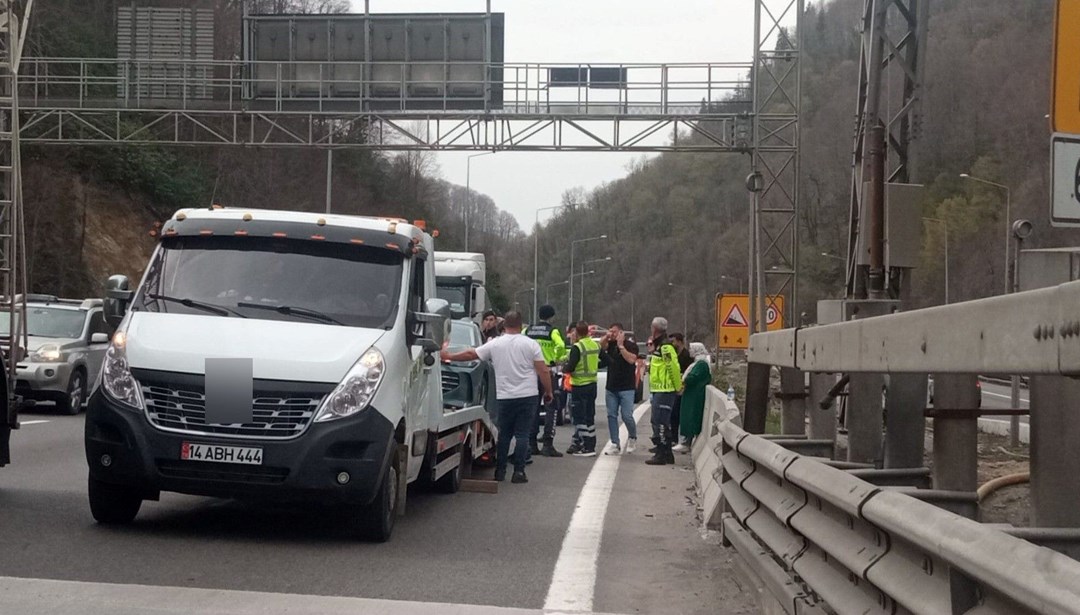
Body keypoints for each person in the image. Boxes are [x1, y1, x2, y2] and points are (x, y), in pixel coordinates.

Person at [441, 311, 553, 484]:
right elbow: (543, 370)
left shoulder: (495, 344)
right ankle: (519, 472)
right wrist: (549, 391)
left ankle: (500, 472)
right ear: (521, 325)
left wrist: (448, 356)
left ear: (504, 325)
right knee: (522, 434)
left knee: (505, 434)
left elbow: (471, 354)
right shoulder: (531, 344)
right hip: (527, 395)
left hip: (505, 396)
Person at [522, 304, 567, 457]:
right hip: (547, 371)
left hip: (531, 371)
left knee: (532, 408)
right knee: (551, 406)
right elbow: (561, 345)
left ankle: (532, 443)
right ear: (551, 317)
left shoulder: (528, 330)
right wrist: (556, 358)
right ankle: (548, 444)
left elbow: (520, 343)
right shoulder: (552, 331)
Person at [645, 317, 682, 465]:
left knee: (660, 422)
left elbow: (673, 367)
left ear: (654, 329)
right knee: (660, 421)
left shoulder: (665, 347)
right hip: (660, 389)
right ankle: (667, 453)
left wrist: (677, 386)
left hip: (665, 389)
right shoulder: (660, 346)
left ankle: (662, 453)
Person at [599, 323, 639, 455]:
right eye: (610, 331)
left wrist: (621, 346)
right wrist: (606, 337)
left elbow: (631, 360)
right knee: (611, 415)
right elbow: (601, 346)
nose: (612, 334)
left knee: (627, 415)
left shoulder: (630, 345)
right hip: (611, 387)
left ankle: (632, 436)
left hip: (627, 387)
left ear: (621, 333)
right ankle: (615, 443)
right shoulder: (610, 345)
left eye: (614, 332)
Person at [565, 321, 601, 457]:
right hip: (592, 384)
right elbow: (607, 360)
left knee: (579, 417)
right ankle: (591, 444)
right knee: (590, 416)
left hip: (579, 385)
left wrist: (564, 367)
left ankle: (586, 446)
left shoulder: (577, 347)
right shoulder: (595, 344)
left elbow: (571, 367)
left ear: (577, 333)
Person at [674, 342, 711, 453]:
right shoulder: (699, 362)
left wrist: (683, 379)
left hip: (695, 395)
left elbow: (692, 377)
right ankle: (686, 441)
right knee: (688, 416)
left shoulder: (701, 364)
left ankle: (687, 442)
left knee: (691, 417)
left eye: (691, 349)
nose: (689, 351)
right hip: (692, 394)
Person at [669, 333, 694, 450]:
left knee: (679, 414)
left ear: (679, 342)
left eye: (673, 341)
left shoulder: (687, 355)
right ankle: (673, 438)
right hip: (673, 387)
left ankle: (682, 440)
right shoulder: (672, 354)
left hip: (683, 388)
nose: (672, 344)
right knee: (672, 415)